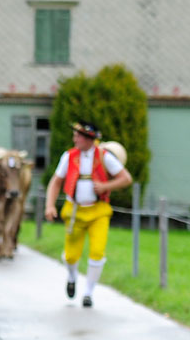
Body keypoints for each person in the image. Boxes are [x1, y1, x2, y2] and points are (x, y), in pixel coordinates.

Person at [43, 121, 132, 308]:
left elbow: (126, 178)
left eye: (78, 135)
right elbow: (56, 181)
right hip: (74, 211)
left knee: (97, 252)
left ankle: (88, 293)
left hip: (98, 211)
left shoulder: (104, 156)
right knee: (70, 256)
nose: (75, 138)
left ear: (89, 139)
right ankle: (72, 276)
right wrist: (50, 205)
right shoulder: (69, 156)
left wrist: (106, 186)